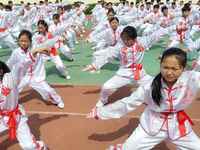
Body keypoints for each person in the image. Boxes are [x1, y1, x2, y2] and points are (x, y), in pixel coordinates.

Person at [87, 48, 200, 150]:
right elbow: (128, 103)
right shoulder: (150, 85)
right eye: (165, 67)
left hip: (178, 125)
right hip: (152, 124)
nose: (169, 72)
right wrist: (100, 112)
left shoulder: (192, 79)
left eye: (175, 69)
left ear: (185, 67)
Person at [82, 25, 183, 107]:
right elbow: (107, 56)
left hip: (139, 73)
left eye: (128, 39)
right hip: (124, 73)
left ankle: (157, 100)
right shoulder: (119, 46)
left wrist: (174, 27)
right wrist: (93, 65)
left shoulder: (143, 42)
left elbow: (157, 34)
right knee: (106, 87)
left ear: (134, 38)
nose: (125, 41)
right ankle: (103, 100)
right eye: (123, 38)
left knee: (156, 85)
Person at [0, 44, 51, 149]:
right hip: (1, 117)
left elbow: (19, 66)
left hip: (16, 117)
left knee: (30, 147)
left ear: (0, 72)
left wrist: (34, 51)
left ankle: (42, 148)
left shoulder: (9, 80)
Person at [6, 30, 65, 109]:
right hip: (22, 77)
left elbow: (47, 43)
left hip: (36, 76)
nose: (23, 43)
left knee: (48, 91)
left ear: (30, 41)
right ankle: (7, 103)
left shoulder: (36, 47)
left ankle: (57, 100)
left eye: (26, 41)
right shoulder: (16, 53)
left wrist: (59, 37)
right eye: (21, 41)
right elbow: (9, 63)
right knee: (10, 89)